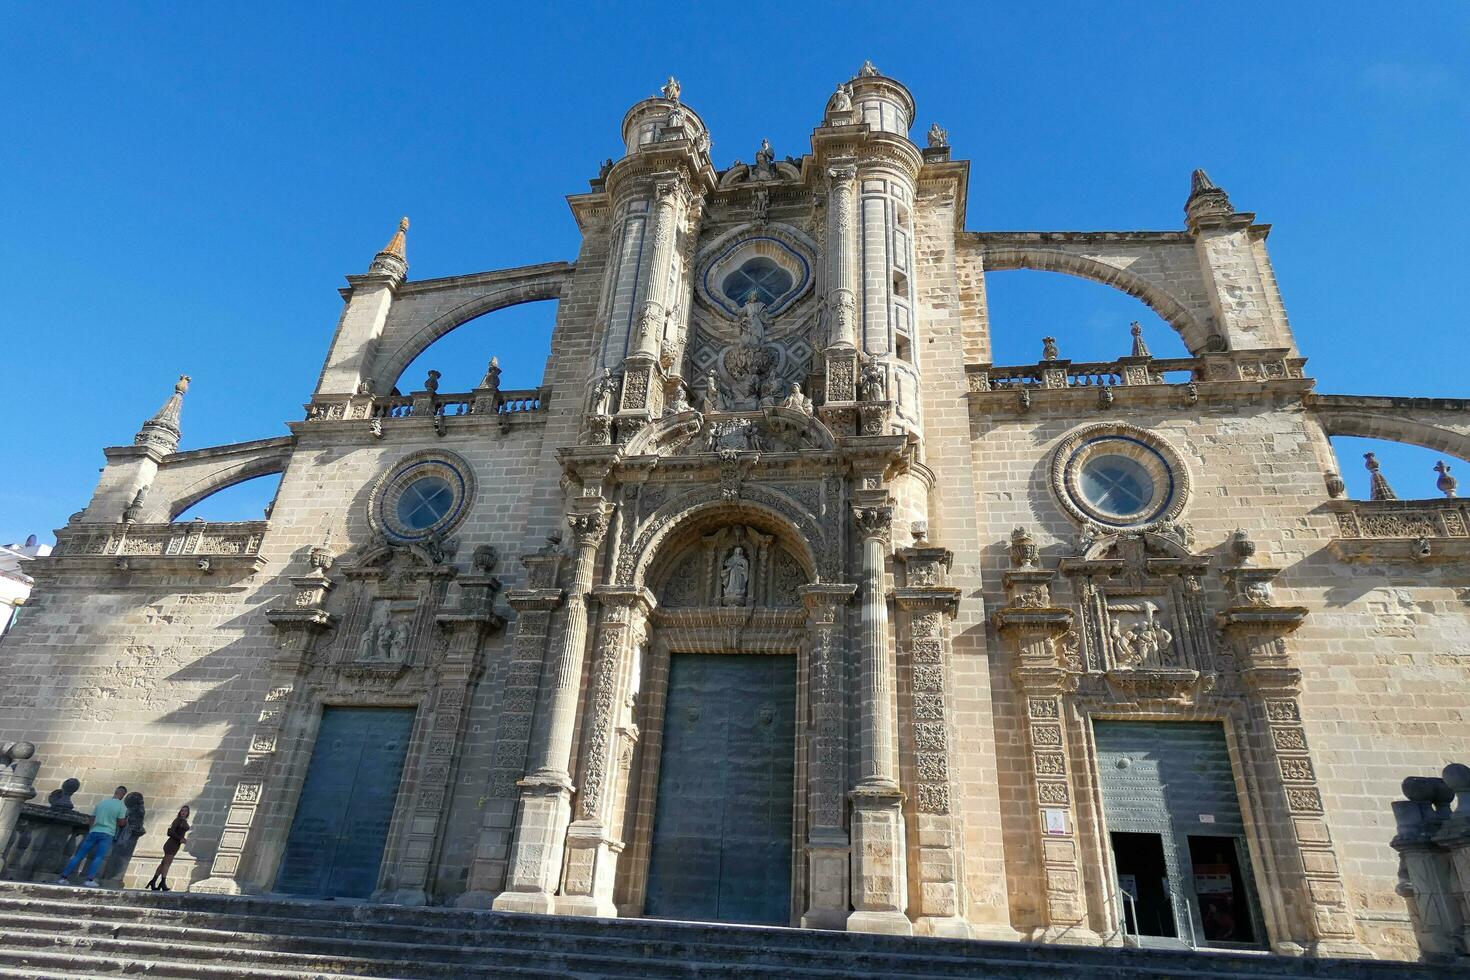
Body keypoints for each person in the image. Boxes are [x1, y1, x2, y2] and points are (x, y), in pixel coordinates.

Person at [57, 785, 128, 887]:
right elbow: (121, 822)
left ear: (115, 792)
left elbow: (92, 818)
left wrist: (91, 829)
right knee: (98, 857)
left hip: (94, 831)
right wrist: (125, 821)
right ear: (123, 795)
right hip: (107, 833)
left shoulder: (101, 803)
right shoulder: (122, 807)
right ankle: (89, 879)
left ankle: (64, 877)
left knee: (78, 855)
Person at [146, 805, 190, 892]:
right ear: (180, 812)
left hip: (175, 845)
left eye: (185, 811)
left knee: (163, 863)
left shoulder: (183, 821)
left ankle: (153, 881)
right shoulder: (177, 820)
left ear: (188, 813)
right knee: (167, 864)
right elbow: (171, 832)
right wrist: (180, 839)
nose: (183, 812)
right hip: (171, 844)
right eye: (182, 810)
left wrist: (181, 839)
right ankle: (163, 882)